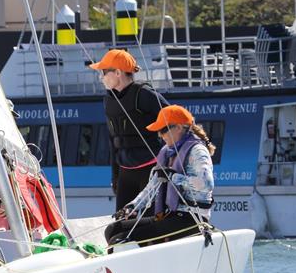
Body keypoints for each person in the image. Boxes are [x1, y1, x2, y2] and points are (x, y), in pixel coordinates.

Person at [104, 105, 216, 248]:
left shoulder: (197, 151)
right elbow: (152, 186)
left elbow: (207, 184)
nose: (160, 135)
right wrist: (132, 207)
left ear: (179, 127)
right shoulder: (167, 152)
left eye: (163, 130)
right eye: (158, 131)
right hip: (170, 216)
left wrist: (175, 177)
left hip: (192, 219)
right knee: (113, 230)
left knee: (120, 240)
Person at [88, 49, 168, 213]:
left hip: (150, 169)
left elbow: (174, 119)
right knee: (121, 221)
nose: (101, 77)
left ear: (118, 72)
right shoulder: (109, 100)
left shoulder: (144, 94)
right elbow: (113, 141)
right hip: (125, 172)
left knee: (148, 224)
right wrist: (115, 176)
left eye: (104, 72)